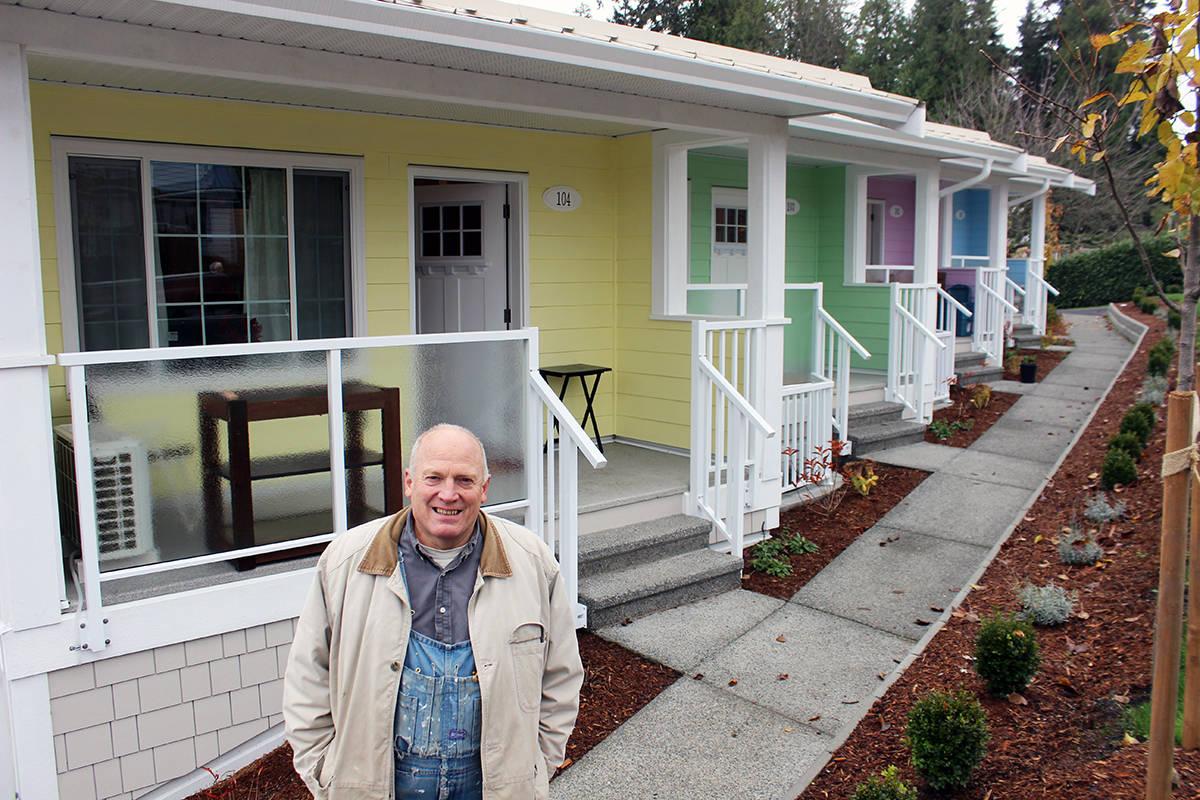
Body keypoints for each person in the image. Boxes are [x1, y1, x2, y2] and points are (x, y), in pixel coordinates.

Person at [283, 423, 583, 800]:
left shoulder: (532, 563)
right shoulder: (345, 563)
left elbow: (561, 675)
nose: (448, 494)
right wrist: (324, 772)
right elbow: (307, 677)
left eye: (464, 480)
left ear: (484, 488)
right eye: (434, 478)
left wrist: (537, 766)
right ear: (409, 482)